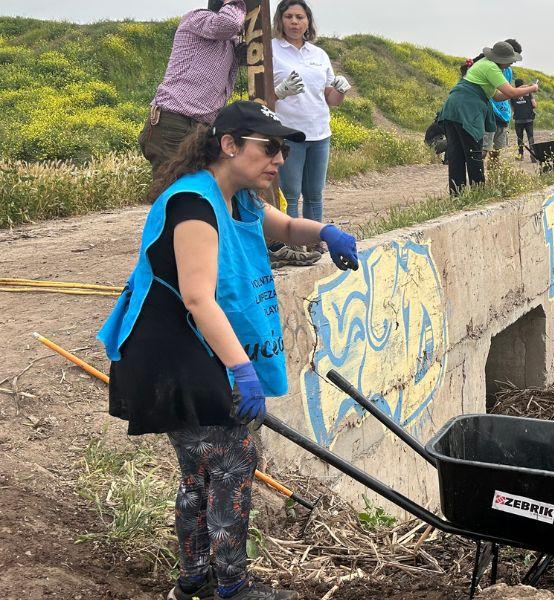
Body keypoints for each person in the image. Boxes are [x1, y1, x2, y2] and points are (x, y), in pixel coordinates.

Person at [99, 101, 361, 600]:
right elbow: (198, 297)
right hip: (174, 354)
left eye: (282, 150)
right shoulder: (194, 204)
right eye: (268, 148)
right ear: (228, 145)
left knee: (202, 471)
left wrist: (325, 232)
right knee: (233, 463)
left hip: (188, 351)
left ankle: (194, 580)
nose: (279, 159)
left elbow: (282, 227)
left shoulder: (236, 197)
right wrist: (242, 371)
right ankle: (231, 588)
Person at [140, 0, 259, 178]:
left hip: (201, 127)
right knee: (172, 191)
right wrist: (234, 2)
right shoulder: (198, 18)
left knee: (197, 192)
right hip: (175, 122)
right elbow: (228, 24)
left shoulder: (229, 43)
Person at [271, 0, 350, 251]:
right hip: (290, 133)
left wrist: (341, 90)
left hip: (319, 133)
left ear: (308, 22)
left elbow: (331, 99)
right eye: (289, 17)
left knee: (314, 194)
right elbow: (263, 95)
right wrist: (280, 92)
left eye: (300, 17)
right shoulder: (271, 49)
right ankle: (294, 245)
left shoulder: (318, 54)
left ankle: (315, 241)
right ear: (280, 20)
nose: (295, 22)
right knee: (291, 193)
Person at [438, 41, 539, 195]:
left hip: (453, 108)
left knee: (456, 155)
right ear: (502, 59)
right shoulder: (491, 67)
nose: (512, 62)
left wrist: (520, 90)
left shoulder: (483, 64)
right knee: (474, 153)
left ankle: (457, 195)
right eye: (511, 59)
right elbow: (511, 93)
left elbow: (498, 96)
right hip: (467, 110)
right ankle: (479, 193)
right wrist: (531, 88)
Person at [511, 77, 538, 161]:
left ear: (515, 85)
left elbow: (512, 108)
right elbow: (534, 105)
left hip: (518, 119)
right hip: (529, 119)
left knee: (520, 138)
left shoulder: (513, 94)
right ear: (522, 84)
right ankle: (533, 155)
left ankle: (520, 155)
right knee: (530, 137)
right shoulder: (528, 93)